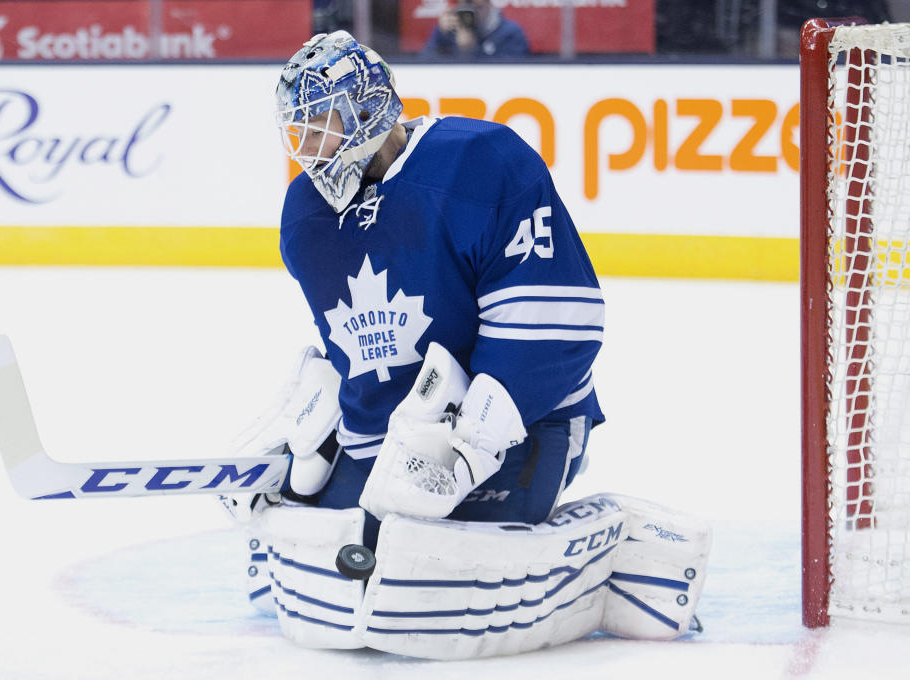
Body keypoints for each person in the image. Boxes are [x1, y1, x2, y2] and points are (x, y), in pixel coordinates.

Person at [232, 31, 710, 660]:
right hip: (395, 438)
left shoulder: (482, 163)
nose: (311, 149)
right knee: (328, 547)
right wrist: (318, 434)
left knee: (433, 577)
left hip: (524, 422)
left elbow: (558, 317)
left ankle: (617, 546)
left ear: (372, 107)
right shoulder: (306, 218)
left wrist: (475, 436)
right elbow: (357, 350)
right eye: (300, 131)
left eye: (324, 123)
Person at [421, 0, 529, 58]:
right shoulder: (448, 30)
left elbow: (513, 74)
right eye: (466, 7)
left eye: (478, 7)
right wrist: (440, 34)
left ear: (489, 5)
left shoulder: (510, 32)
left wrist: (471, 50)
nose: (473, 13)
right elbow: (423, 63)